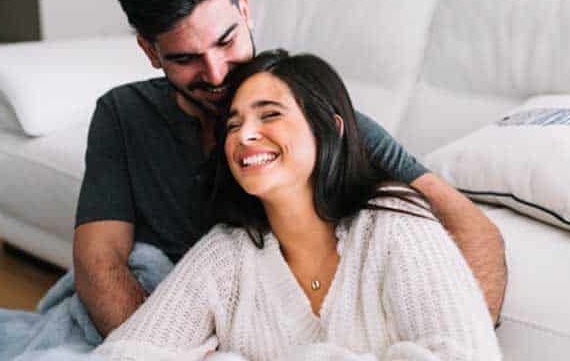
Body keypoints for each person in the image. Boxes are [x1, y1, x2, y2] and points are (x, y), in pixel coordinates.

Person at [74, 0, 507, 338]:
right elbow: (99, 258)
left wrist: (462, 334)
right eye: (186, 58)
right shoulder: (122, 116)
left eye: (226, 41)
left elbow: (470, 226)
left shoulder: (311, 118)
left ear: (244, 9)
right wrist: (158, 345)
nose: (216, 72)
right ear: (150, 51)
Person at [92, 50, 502, 361]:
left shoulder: (396, 225)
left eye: (269, 115)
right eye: (233, 124)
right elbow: (129, 352)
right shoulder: (226, 254)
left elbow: (465, 353)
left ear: (330, 130)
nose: (245, 135)